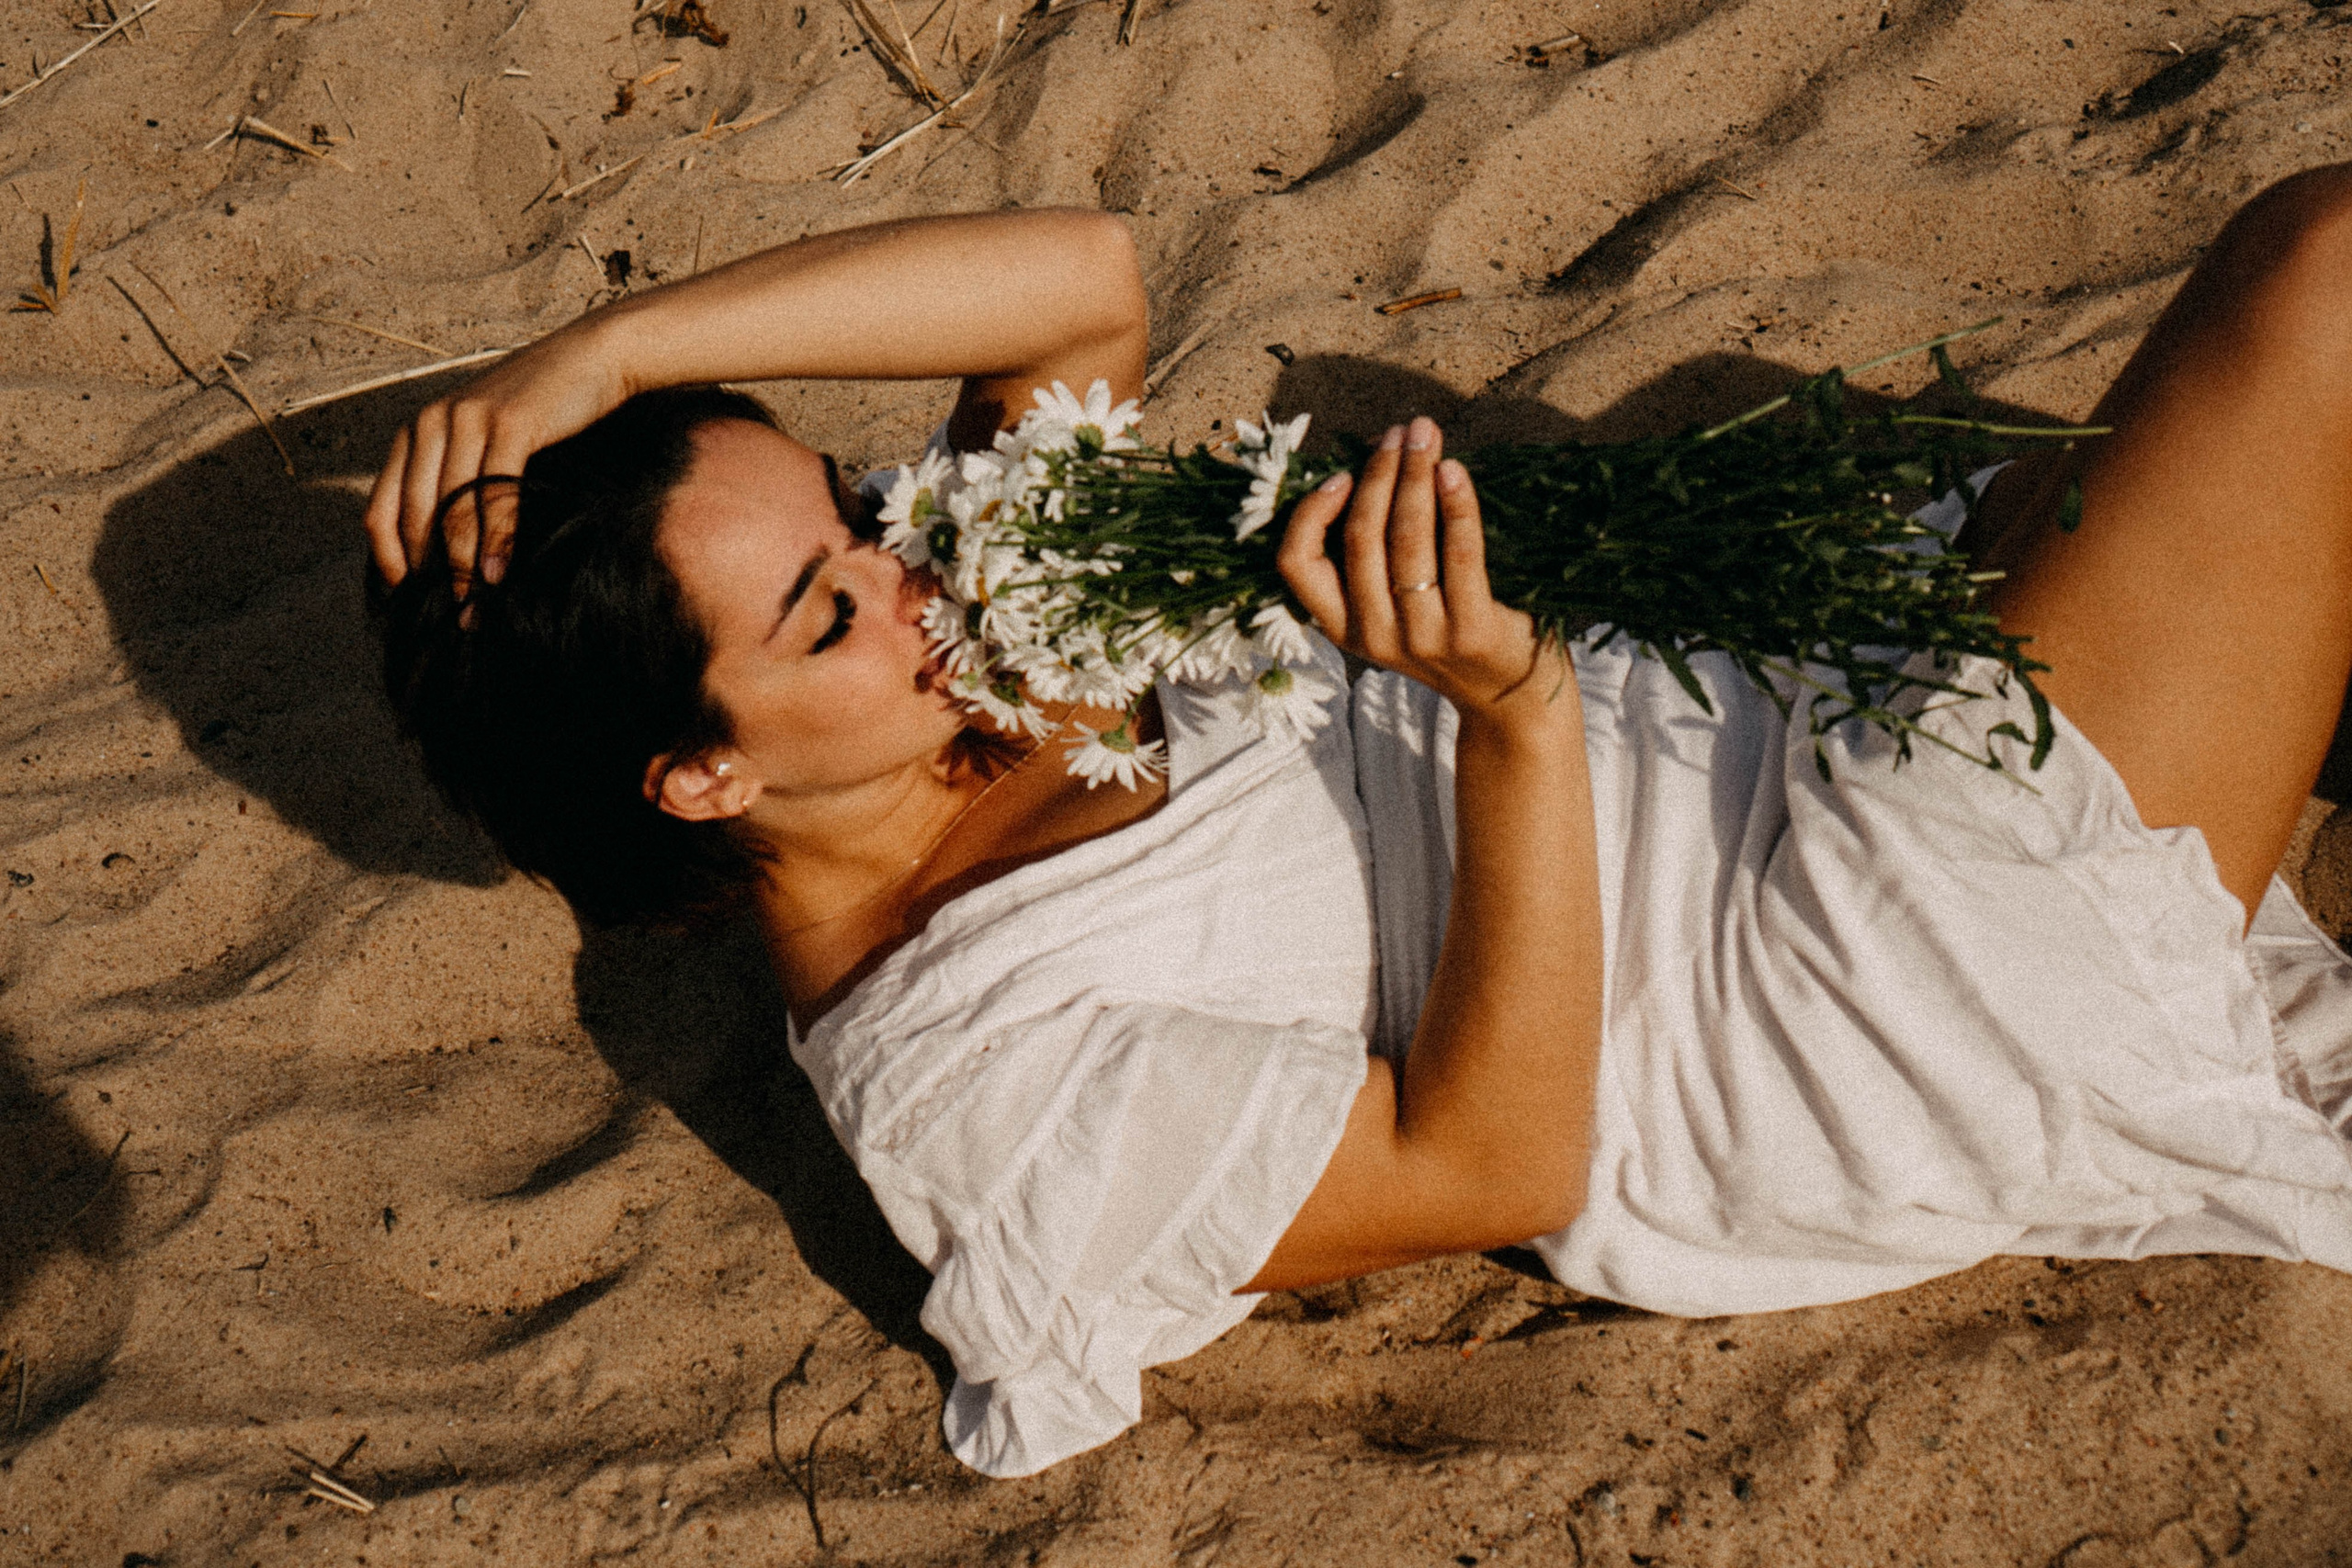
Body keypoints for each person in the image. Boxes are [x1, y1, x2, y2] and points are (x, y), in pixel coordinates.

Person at [367, 172, 2352, 1478]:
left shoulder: (955, 643)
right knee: (2316, 274)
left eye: (842, 507)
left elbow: (1082, 282)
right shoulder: (968, 1079)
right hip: (1818, 1003)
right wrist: (1509, 711)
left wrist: (607, 355)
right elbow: (1495, 1154)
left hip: (1765, 719)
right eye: (820, 603)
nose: (903, 559)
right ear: (701, 775)